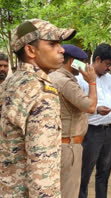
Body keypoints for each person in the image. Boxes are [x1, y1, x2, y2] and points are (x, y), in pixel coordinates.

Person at [0, 19, 76, 197]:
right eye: (52, 43)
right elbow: (43, 170)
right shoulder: (41, 91)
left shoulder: (10, 83)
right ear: (30, 50)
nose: (62, 49)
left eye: (60, 43)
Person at [49, 44, 97, 198]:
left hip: (62, 143)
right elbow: (90, 106)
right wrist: (92, 82)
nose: (85, 66)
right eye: (82, 62)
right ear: (72, 62)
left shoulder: (54, 77)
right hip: (68, 146)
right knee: (69, 192)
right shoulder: (65, 82)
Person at [77, 43, 111, 198]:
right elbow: (78, 107)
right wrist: (96, 110)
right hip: (91, 132)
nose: (109, 68)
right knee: (84, 173)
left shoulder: (110, 79)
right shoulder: (80, 78)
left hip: (109, 130)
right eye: (108, 64)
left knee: (104, 172)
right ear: (97, 60)